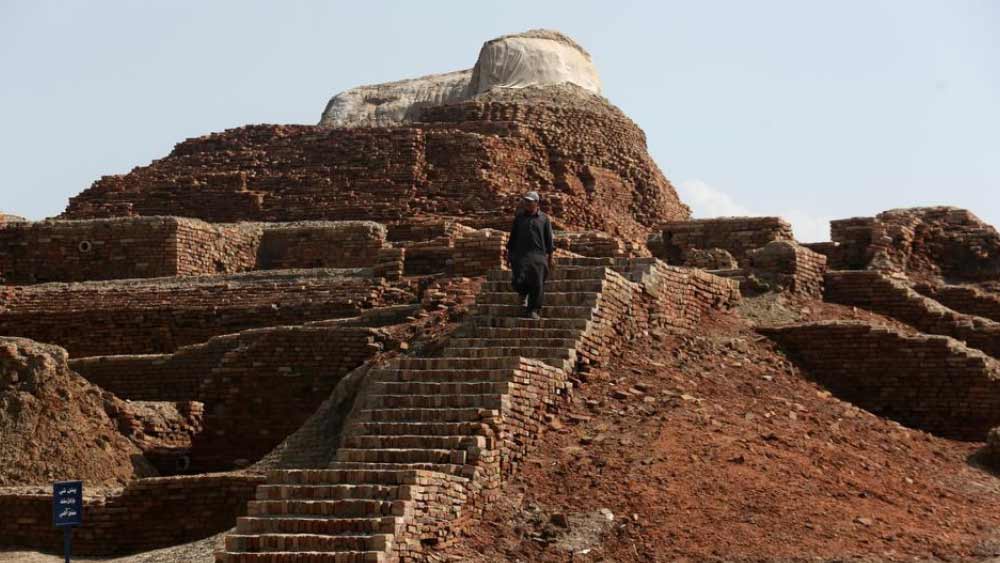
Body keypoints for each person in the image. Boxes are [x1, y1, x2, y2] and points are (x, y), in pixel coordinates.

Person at [506, 191, 555, 320]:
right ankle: (523, 294)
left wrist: (551, 257)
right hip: (521, 254)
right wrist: (509, 254)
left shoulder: (544, 219)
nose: (526, 203)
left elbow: (549, 239)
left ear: (536, 203)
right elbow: (513, 237)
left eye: (529, 201)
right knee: (518, 279)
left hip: (538, 255)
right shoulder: (519, 218)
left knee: (538, 283)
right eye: (525, 201)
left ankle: (533, 309)